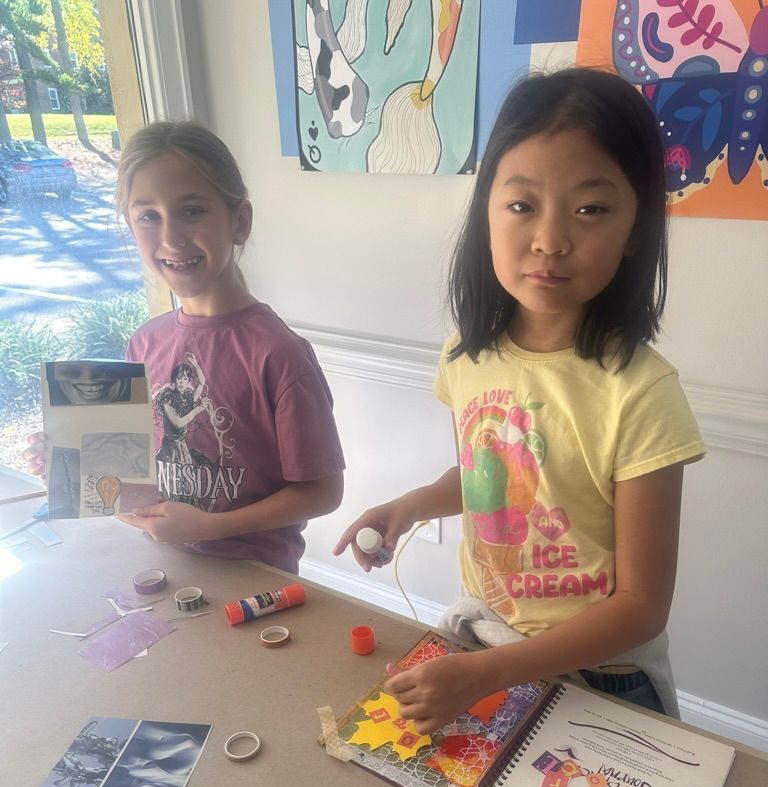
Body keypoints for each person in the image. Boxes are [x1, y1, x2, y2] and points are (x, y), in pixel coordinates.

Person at [335, 67, 705, 732]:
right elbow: (493, 480)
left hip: (603, 676)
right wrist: (412, 504)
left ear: (636, 231)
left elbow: (642, 606)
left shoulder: (642, 394)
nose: (550, 239)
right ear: (486, 212)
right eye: (522, 204)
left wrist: (486, 672)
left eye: (590, 209)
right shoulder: (466, 355)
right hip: (489, 634)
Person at [27, 121, 344, 573]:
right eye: (149, 216)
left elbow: (323, 492)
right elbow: (123, 485)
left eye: (192, 211)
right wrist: (69, 465)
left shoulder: (279, 353)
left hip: (253, 578)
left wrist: (207, 528)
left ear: (240, 221)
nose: (172, 237)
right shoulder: (144, 341)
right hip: (159, 564)